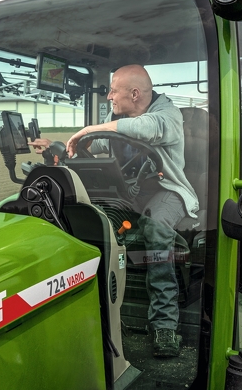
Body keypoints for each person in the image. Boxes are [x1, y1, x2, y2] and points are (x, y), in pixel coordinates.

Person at [30, 64, 198, 358]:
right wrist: (58, 145)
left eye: (113, 91)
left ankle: (164, 324)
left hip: (167, 191)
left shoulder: (168, 115)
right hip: (128, 192)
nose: (108, 97)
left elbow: (145, 130)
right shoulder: (117, 117)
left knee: (156, 227)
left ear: (134, 94)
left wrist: (89, 129)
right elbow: (95, 148)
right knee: (81, 219)